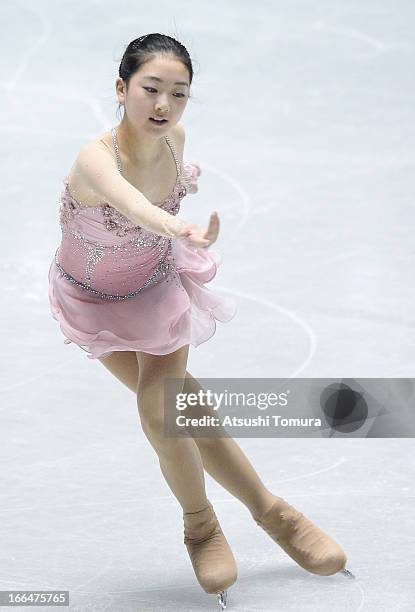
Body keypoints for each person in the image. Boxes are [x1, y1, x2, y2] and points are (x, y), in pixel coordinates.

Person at [48, 33, 353, 610]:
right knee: (183, 409)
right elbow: (131, 204)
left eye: (179, 94)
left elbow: (155, 207)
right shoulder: (95, 156)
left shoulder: (174, 142)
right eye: (151, 90)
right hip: (90, 298)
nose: (164, 106)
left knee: (160, 409)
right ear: (121, 89)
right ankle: (272, 510)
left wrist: (177, 237)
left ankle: (201, 525)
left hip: (156, 289)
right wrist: (179, 228)